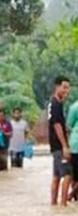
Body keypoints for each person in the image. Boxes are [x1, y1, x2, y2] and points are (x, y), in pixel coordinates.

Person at [49, 76, 72, 207]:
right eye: (64, 87)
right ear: (56, 87)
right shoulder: (56, 104)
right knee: (68, 174)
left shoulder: (53, 103)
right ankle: (63, 204)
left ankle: (53, 204)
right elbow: (57, 125)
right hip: (59, 145)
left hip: (54, 145)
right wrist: (65, 146)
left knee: (56, 175)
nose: (66, 91)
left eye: (68, 88)